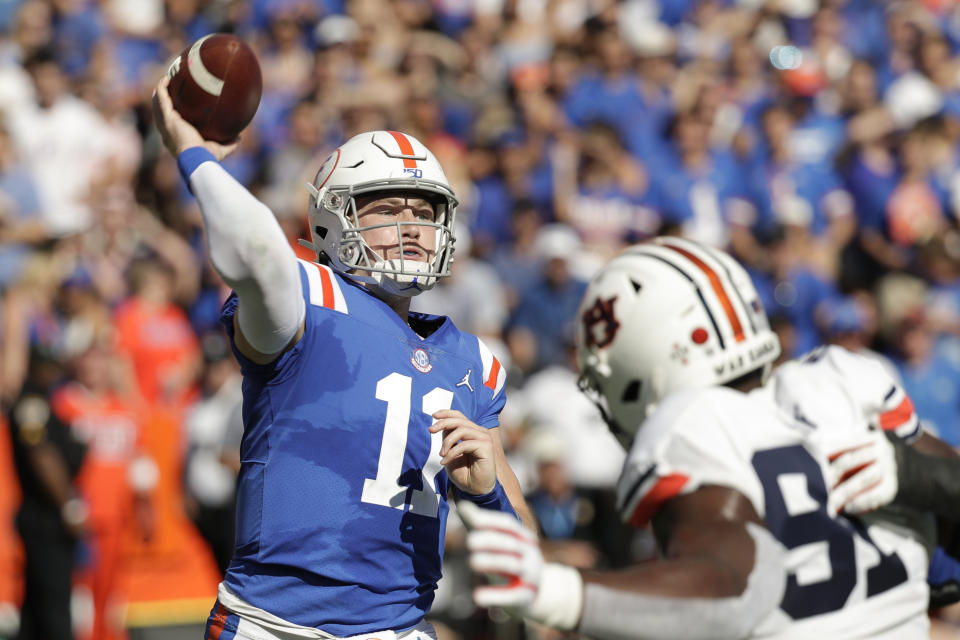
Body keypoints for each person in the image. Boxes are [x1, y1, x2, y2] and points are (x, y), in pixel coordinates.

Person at [151, 75, 531, 640]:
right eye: (387, 209)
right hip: (273, 623)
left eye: (425, 212)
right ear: (333, 219)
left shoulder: (474, 362)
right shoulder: (307, 303)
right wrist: (195, 154)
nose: (411, 228)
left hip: (397, 629)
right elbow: (256, 250)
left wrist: (488, 495)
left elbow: (527, 574)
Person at [462, 235, 951, 639]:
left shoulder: (691, 424)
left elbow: (730, 586)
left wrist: (562, 592)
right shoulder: (842, 378)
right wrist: (916, 475)